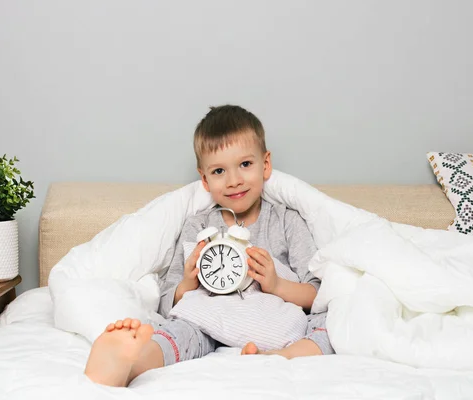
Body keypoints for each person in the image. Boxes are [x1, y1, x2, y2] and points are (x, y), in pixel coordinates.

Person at [84, 105, 333, 387]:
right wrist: (188, 282)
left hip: (275, 317)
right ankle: (127, 364)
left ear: (265, 165)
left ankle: (278, 356)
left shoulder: (287, 221)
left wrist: (276, 284)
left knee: (327, 327)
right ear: (204, 179)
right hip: (213, 317)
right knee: (179, 329)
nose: (234, 180)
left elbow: (315, 295)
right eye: (218, 171)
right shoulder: (197, 226)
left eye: (245, 164)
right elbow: (168, 302)